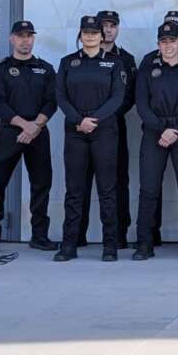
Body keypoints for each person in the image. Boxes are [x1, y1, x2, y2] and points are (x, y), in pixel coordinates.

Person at [53, 15, 127, 262]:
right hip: (76, 133)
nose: (91, 36)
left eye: (95, 33)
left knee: (107, 190)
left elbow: (117, 97)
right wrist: (79, 120)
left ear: (101, 36)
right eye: (86, 33)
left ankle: (109, 246)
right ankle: (69, 245)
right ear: (80, 35)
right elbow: (60, 96)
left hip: (104, 132)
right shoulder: (68, 62)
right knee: (74, 191)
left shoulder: (114, 64)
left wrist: (93, 120)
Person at [0, 20, 58, 255]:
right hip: (10, 132)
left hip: (38, 131)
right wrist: (25, 125)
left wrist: (35, 126)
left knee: (41, 185)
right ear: (11, 39)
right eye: (21, 36)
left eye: (29, 36)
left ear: (34, 39)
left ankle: (39, 236)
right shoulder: (0, 69)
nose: (25, 40)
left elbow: (52, 101)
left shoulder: (45, 68)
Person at [132, 23, 178, 261]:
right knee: (149, 189)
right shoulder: (147, 69)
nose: (168, 46)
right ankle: (144, 244)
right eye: (164, 41)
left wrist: (176, 129)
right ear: (158, 45)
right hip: (155, 133)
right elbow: (141, 105)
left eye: (173, 41)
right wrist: (162, 129)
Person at [77, 10, 135, 249]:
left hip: (113, 126)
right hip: (81, 128)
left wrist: (104, 118)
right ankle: (77, 235)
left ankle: (118, 234)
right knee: (81, 181)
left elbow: (129, 96)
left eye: (113, 25)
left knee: (117, 180)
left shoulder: (126, 59)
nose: (109, 30)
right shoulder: (78, 59)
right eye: (105, 26)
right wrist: (85, 120)